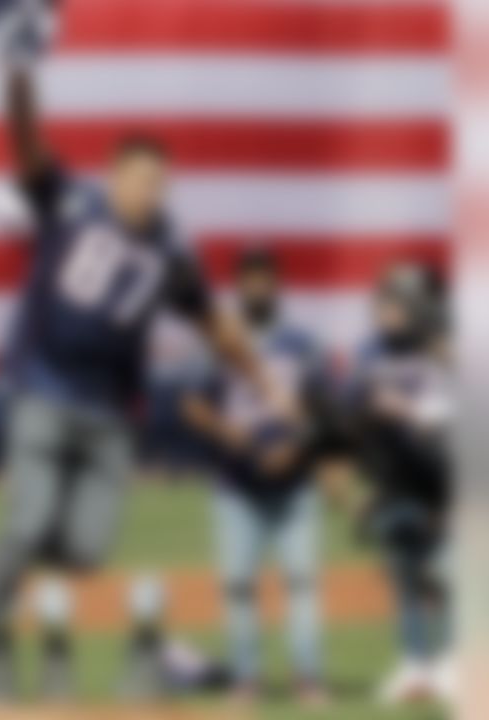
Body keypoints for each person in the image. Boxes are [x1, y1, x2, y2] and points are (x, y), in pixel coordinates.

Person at [0, 1, 276, 707]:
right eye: (144, 178)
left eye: (164, 182)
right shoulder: (70, 203)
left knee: (88, 553)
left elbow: (216, 326)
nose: (154, 192)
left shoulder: (172, 255)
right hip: (42, 391)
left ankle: (5, 583)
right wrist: (20, 71)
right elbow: (26, 144)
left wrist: (266, 379)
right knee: (26, 524)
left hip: (113, 416)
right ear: (115, 175)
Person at [182, 247, 335, 706]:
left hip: (295, 484)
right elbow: (191, 404)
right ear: (238, 284)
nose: (257, 286)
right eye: (248, 278)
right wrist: (229, 434)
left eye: (264, 277)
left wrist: (296, 447)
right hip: (237, 485)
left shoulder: (303, 343)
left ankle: (309, 678)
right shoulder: (221, 341)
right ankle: (245, 680)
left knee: (303, 583)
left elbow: (326, 409)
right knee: (238, 586)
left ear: (277, 283)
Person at [343, 263, 454, 706]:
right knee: (405, 575)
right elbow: (353, 405)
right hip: (394, 479)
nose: (388, 310)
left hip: (442, 477)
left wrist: (424, 411)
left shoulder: (442, 350)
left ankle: (451, 662)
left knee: (445, 575)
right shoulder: (370, 353)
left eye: (398, 302)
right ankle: (414, 665)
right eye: (385, 301)